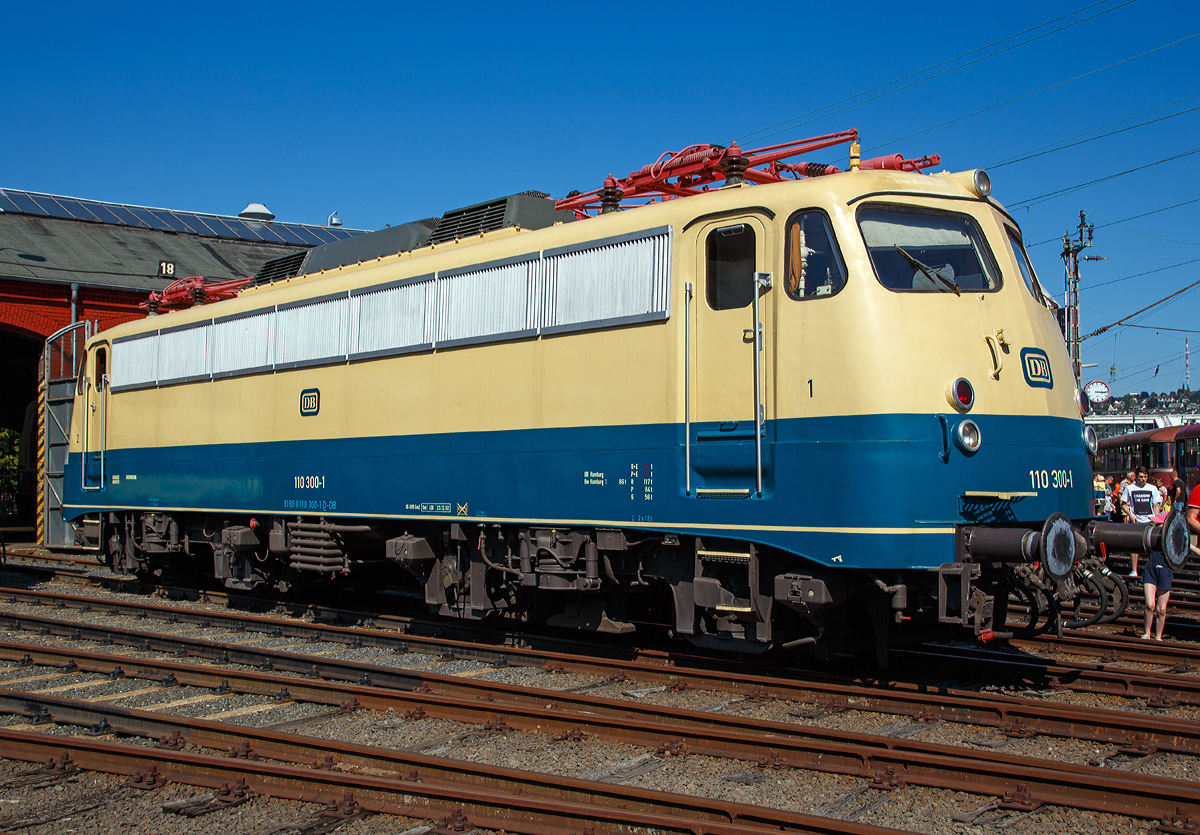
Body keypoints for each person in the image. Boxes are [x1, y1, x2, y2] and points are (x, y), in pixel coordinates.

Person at [1122, 468, 1162, 577]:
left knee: (1153, 544)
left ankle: (1155, 566)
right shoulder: (1130, 488)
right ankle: (1134, 570)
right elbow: (1123, 503)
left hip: (1150, 520)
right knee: (1134, 546)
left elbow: (1155, 505)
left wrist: (1158, 519)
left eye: (1145, 477)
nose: (1143, 479)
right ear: (1136, 477)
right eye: (1141, 477)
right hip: (1137, 520)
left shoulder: (1152, 488)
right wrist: (1130, 515)